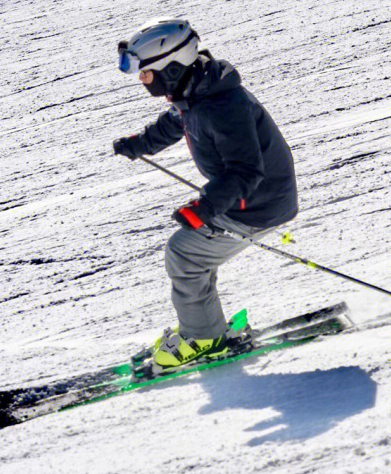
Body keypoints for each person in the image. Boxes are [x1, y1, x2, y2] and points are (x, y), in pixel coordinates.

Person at [112, 18, 298, 370]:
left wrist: (204, 208)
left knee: (184, 255)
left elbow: (245, 171)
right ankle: (202, 326)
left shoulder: (223, 106)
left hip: (258, 202)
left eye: (146, 73)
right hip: (248, 196)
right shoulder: (196, 91)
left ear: (171, 67)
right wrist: (140, 144)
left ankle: (203, 338)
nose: (142, 81)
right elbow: (175, 122)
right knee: (195, 255)